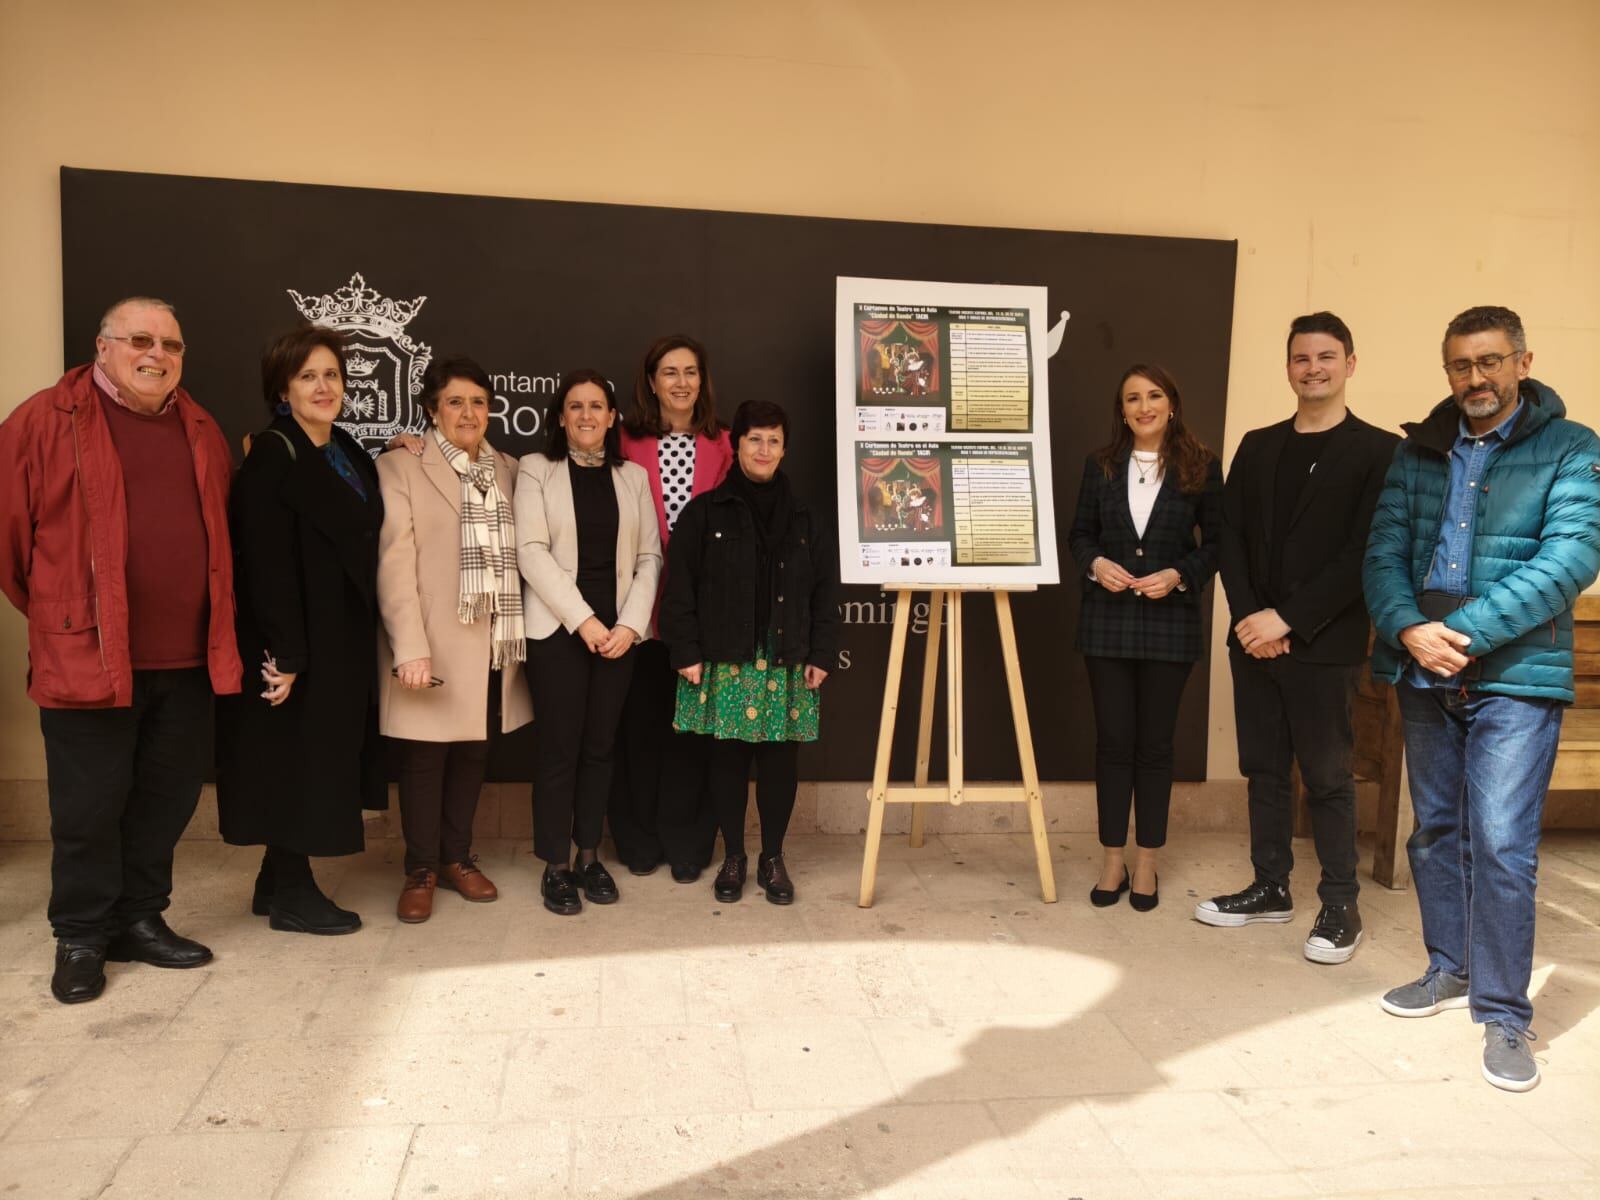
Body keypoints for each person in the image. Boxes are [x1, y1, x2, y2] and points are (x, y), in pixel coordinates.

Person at [1364, 305, 1600, 1092]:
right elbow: (1384, 552)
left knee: (1500, 842)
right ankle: (1450, 966)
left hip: (1512, 675)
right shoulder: (1419, 449)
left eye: (1491, 362)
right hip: (1424, 672)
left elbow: (1571, 558)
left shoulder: (1572, 449)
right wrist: (1406, 630)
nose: (1477, 379)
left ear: (1523, 362)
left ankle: (1504, 1015)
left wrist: (1454, 634)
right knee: (1435, 830)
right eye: (1462, 366)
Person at [0, 297, 241, 1004]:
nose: (157, 353)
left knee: (163, 801)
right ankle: (80, 934)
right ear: (103, 346)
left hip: (188, 659)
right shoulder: (42, 421)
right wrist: (63, 615)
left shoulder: (199, 426)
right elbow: (11, 548)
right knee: (87, 808)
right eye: (140, 339)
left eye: (171, 343)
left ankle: (138, 917)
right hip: (87, 657)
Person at [1198, 312, 1398, 964]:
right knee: (1262, 770)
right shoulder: (1257, 445)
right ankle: (1270, 886)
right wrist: (1253, 619)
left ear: (1350, 363)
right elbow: (1229, 538)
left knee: (1328, 776)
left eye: (1326, 356)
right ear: (1287, 366)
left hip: (1324, 643)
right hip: (1254, 640)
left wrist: (1287, 620)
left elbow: (1363, 553)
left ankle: (1340, 905)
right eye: (1301, 358)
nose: (1313, 368)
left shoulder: (1377, 451)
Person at [215, 324, 386, 936]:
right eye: (308, 375)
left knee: (318, 757)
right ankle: (292, 892)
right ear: (282, 388)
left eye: (332, 375)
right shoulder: (271, 453)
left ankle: (272, 881)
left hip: (339, 640)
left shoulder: (346, 447)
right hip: (291, 647)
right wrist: (285, 654)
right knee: (295, 763)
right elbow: (261, 562)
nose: (323, 386)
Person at [661, 399, 840, 905]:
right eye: (754, 439)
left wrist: (822, 653)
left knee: (782, 760)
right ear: (736, 444)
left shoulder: (807, 519)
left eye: (773, 440)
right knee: (728, 760)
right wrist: (686, 651)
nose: (764, 449)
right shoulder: (703, 514)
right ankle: (735, 856)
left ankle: (773, 858)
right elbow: (680, 592)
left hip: (787, 655)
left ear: (784, 449)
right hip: (726, 656)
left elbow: (826, 592)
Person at [376, 356, 533, 923]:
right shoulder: (400, 467)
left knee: (473, 752)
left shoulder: (511, 469)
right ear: (431, 411)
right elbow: (394, 564)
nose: (468, 413)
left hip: (494, 640)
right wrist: (409, 646)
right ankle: (419, 868)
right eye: (455, 402)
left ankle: (455, 858)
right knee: (423, 758)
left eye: (478, 403)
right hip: (433, 640)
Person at [1067, 364, 1222, 911]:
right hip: (1106, 624)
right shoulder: (1100, 465)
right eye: (1132, 397)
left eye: (1154, 395)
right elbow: (1079, 536)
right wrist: (1096, 565)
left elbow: (1218, 544)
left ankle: (1148, 861)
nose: (1143, 406)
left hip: (1169, 623)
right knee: (1113, 745)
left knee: (1155, 748)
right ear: (1122, 409)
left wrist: (1180, 574)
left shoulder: (1201, 466)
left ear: (1172, 403)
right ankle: (1113, 858)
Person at [517, 370, 660, 916]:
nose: (586, 416)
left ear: (612, 416)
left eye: (596, 406)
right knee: (560, 750)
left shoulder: (634, 478)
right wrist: (584, 621)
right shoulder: (536, 470)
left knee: (601, 750)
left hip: (619, 636)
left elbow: (650, 557)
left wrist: (629, 625)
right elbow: (531, 551)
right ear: (560, 416)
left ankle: (588, 855)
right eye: (575, 406)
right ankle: (555, 866)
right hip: (560, 632)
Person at [610, 335, 735, 881]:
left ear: (703, 380)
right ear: (651, 381)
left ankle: (688, 844)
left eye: (691, 372)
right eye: (669, 372)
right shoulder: (622, 439)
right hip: (632, 609)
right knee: (638, 728)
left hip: (699, 614)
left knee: (693, 733)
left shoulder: (726, 444)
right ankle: (638, 840)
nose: (681, 382)